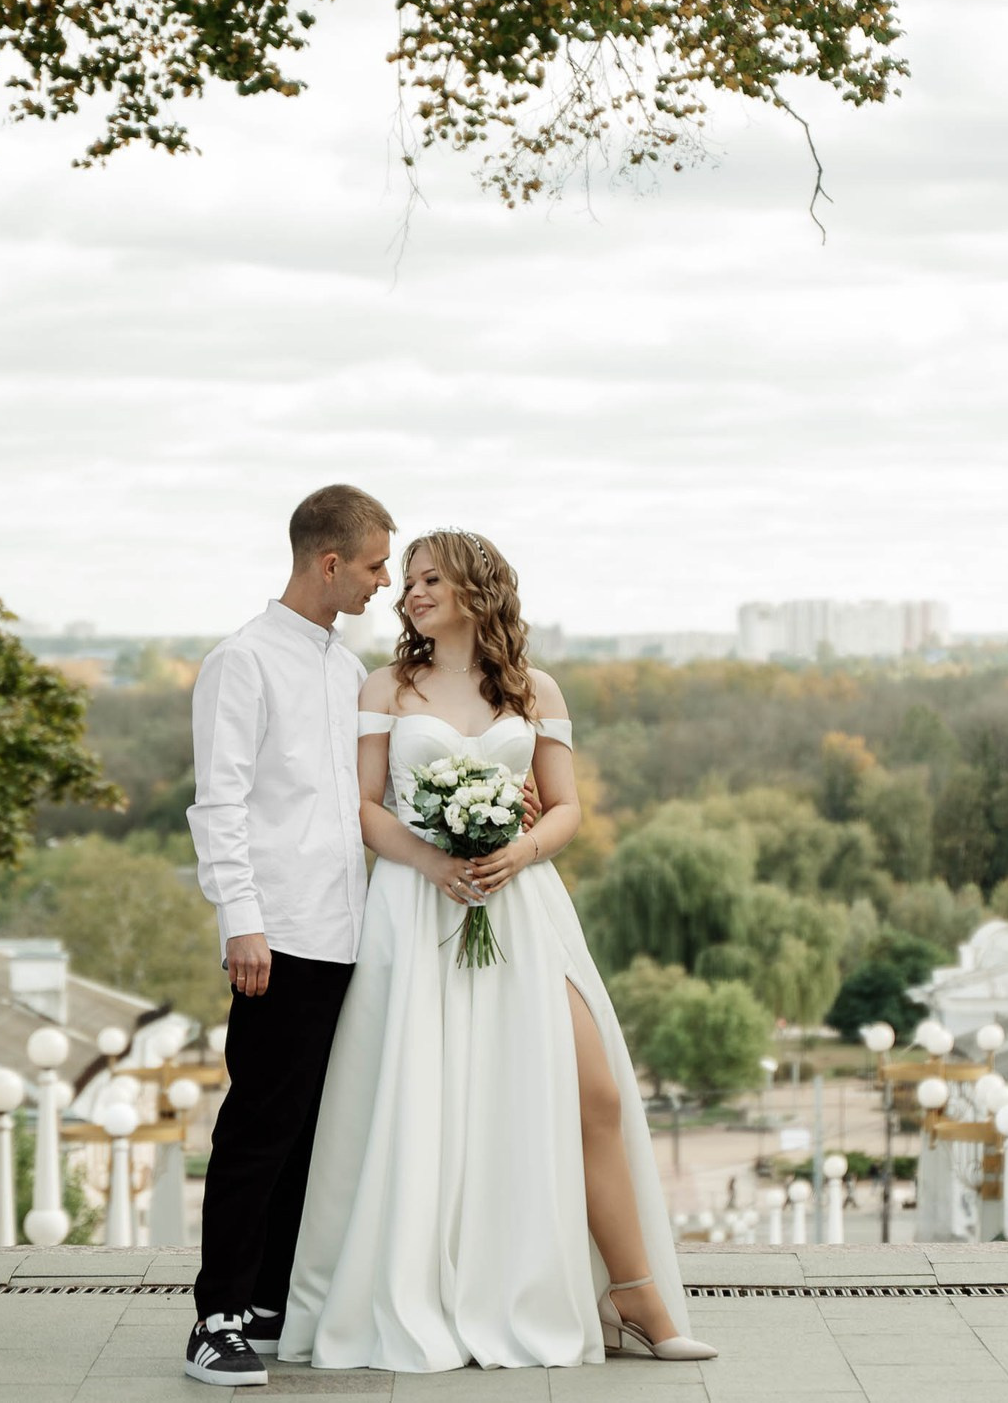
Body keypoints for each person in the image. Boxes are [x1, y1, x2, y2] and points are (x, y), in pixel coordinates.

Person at [279, 527, 714, 1372]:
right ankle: (445, 1286)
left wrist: (521, 851)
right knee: (434, 1105)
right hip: (419, 908)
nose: (411, 592)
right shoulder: (385, 686)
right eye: (407, 580)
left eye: (430, 577)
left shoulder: (534, 687)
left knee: (595, 1094)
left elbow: (565, 808)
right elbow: (365, 810)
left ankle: (633, 1293)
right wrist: (437, 863)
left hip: (525, 908)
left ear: (479, 587)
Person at [182, 485, 395, 1388]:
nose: (385, 583)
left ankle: (268, 1300)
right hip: (280, 935)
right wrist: (244, 923)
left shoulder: (347, 671)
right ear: (330, 561)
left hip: (349, 933)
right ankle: (215, 1319)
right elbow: (219, 804)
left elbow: (358, 804)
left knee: (312, 1129)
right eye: (378, 565)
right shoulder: (242, 662)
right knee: (258, 1130)